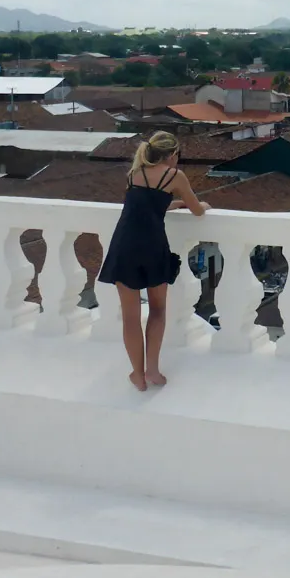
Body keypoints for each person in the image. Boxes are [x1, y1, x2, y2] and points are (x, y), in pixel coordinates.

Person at [97, 131, 209, 390]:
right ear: (172, 155)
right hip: (152, 247)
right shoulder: (174, 176)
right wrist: (192, 204)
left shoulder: (135, 174)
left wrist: (174, 203)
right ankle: (153, 371)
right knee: (157, 310)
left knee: (130, 317)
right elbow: (198, 211)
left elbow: (144, 205)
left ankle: (137, 374)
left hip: (124, 246)